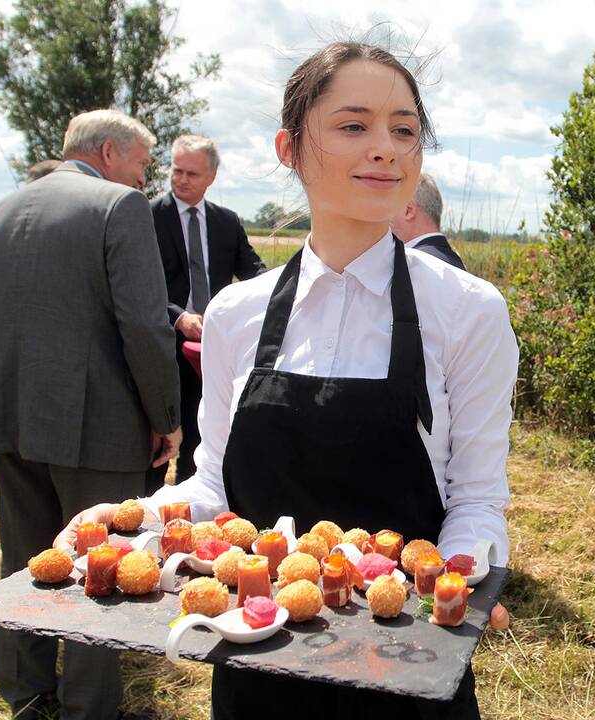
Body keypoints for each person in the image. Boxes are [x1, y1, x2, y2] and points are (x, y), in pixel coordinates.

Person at [55, 42, 515, 718]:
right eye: (354, 125)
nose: (386, 147)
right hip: (257, 657)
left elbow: (477, 499)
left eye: (405, 129)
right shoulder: (237, 314)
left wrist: (453, 582)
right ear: (289, 148)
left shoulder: (468, 311)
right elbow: (214, 484)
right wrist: (136, 520)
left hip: (410, 669)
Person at [0, 109, 182, 720]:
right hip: (99, 424)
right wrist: (165, 414)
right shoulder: (118, 206)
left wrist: (6, 396)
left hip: (12, 415)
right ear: (110, 153)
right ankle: (89, 708)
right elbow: (143, 324)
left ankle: (27, 696)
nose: (144, 179)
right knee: (100, 568)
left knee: (25, 559)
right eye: (142, 164)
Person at [146, 134, 268, 494]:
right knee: (154, 449)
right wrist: (178, 316)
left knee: (202, 443)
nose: (181, 179)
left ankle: (188, 520)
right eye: (176, 170)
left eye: (192, 174)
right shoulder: (147, 216)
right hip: (160, 347)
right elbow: (139, 286)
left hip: (211, 349)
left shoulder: (226, 222)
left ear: (211, 178)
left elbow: (253, 272)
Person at [388, 172, 466, 270]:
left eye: (388, 208)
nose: (383, 218)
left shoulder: (410, 266)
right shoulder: (455, 262)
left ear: (408, 210)